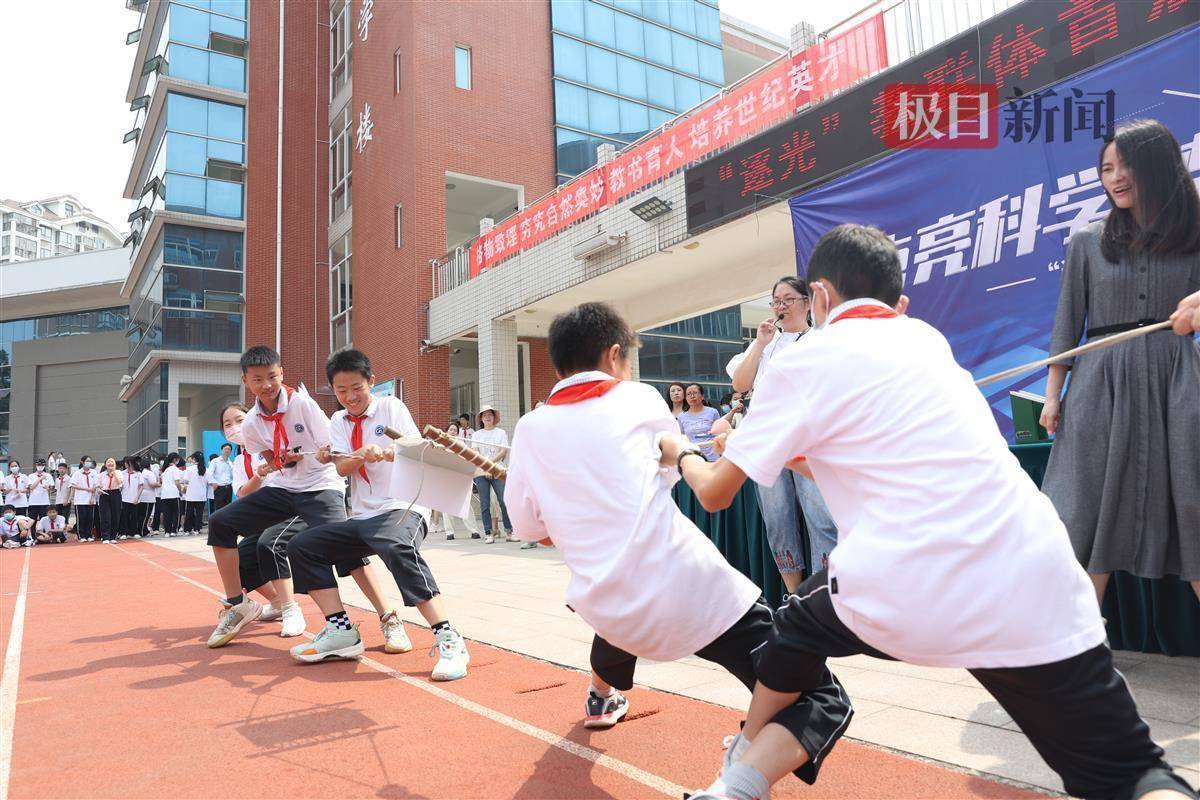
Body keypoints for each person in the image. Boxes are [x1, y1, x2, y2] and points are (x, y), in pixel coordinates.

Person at [664, 223, 1193, 800]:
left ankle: (740, 768)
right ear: (902, 303)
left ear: (818, 297)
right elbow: (865, 462)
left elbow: (715, 492)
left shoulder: (804, 359)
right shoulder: (928, 341)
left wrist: (683, 450)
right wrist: (794, 457)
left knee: (793, 629)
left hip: (904, 580)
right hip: (1031, 572)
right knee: (1128, 772)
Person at [504, 302, 851, 777]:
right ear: (612, 356)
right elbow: (687, 476)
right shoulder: (638, 399)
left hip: (607, 608)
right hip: (692, 597)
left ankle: (601, 695)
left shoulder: (529, 426)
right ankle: (745, 773)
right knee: (822, 696)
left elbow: (527, 529)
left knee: (616, 601)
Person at [1040, 120, 1200, 606]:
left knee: (1193, 504)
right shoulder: (1087, 241)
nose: (1115, 177)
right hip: (1099, 383)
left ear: (1157, 164)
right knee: (1083, 507)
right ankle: (1080, 651)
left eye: (1125, 164)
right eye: (1106, 168)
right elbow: (1068, 323)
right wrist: (1052, 396)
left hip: (1178, 382)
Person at [285, 348, 471, 678]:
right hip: (361, 517)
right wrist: (360, 455)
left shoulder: (391, 407)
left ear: (371, 382)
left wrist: (386, 452)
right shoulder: (338, 420)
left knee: (394, 544)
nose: (350, 397)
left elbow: (414, 450)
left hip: (402, 506)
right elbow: (342, 467)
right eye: (341, 391)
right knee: (303, 546)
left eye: (356, 387)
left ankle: (448, 637)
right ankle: (341, 630)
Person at [204, 345, 365, 649]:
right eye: (257, 379)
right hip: (285, 490)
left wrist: (318, 455)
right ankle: (239, 603)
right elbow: (270, 462)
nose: (266, 385)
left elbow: (332, 448)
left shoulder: (302, 404)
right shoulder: (252, 423)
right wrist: (280, 461)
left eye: (271, 377)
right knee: (220, 524)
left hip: (320, 486)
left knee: (338, 548)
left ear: (282, 374)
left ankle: (386, 615)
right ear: (245, 380)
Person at [727, 276, 839, 593]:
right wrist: (760, 343)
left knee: (821, 516)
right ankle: (794, 596)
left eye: (788, 299)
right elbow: (739, 385)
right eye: (776, 300)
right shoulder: (762, 344)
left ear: (806, 303)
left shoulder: (821, 339)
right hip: (768, 440)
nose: (781, 306)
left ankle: (824, 593)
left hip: (810, 438)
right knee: (778, 520)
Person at [428, 421, 480, 540]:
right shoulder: (440, 444)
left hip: (460, 477)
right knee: (447, 505)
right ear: (446, 431)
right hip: (445, 477)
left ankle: (474, 531)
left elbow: (467, 458)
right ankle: (449, 532)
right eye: (451, 429)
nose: (453, 432)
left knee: (466, 505)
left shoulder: (461, 444)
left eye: (455, 430)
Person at [470, 405, 513, 544]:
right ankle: (488, 533)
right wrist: (486, 467)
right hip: (481, 471)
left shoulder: (501, 432)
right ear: (481, 419)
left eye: (490, 414)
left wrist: (490, 466)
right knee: (484, 503)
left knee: (504, 501)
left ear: (494, 417)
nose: (488, 417)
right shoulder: (477, 434)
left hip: (498, 469)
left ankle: (509, 531)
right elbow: (475, 453)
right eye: (484, 415)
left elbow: (503, 452)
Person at [676, 384, 722, 460]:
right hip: (693, 457)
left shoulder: (713, 412)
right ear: (686, 398)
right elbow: (681, 437)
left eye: (695, 393)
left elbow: (718, 434)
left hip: (712, 456)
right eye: (688, 394)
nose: (692, 396)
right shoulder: (681, 416)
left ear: (702, 396)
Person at [69, 456, 100, 542]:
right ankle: (81, 535)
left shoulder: (94, 472)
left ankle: (89, 535)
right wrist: (86, 489)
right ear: (82, 462)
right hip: (80, 500)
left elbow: (95, 486)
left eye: (90, 461)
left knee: (90, 518)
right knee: (81, 518)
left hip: (91, 500)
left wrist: (92, 497)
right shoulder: (77, 473)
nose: (89, 462)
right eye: (87, 461)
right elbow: (73, 485)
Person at [96, 457, 124, 543]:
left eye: (112, 462)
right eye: (108, 462)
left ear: (115, 464)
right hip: (104, 494)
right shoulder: (100, 475)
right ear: (105, 465)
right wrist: (100, 490)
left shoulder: (119, 472)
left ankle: (113, 537)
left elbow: (120, 483)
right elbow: (97, 487)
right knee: (105, 516)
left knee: (115, 516)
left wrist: (114, 472)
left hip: (115, 493)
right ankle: (105, 537)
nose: (110, 463)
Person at [181, 451, 209, 535]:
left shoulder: (189, 469)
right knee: (199, 513)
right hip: (201, 495)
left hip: (191, 494)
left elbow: (186, 482)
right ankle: (198, 529)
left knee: (189, 512)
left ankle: (187, 529)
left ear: (194, 459)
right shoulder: (205, 469)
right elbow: (208, 482)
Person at [159, 453, 184, 537]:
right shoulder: (175, 469)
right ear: (174, 459)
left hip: (165, 494)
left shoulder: (165, 470)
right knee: (176, 513)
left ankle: (167, 532)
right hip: (174, 493)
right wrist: (180, 491)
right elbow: (177, 482)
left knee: (167, 514)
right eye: (178, 459)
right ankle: (174, 530)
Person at [210, 443, 234, 512]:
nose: (227, 451)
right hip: (219, 488)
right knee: (219, 508)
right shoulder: (215, 461)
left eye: (229, 449)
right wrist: (214, 483)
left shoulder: (230, 463)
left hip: (229, 488)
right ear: (221, 450)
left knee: (228, 508)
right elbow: (209, 474)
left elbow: (232, 476)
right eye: (225, 449)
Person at [26, 459, 51, 524]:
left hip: (44, 502)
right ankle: (32, 534)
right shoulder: (31, 476)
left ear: (44, 465)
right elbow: (31, 487)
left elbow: (52, 487)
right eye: (38, 465)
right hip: (33, 502)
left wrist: (49, 487)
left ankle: (43, 534)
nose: (40, 466)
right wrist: (40, 478)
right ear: (36, 465)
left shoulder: (48, 475)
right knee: (32, 522)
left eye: (42, 465)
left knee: (44, 521)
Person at [138, 457, 158, 535]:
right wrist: (159, 484)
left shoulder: (141, 472)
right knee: (146, 515)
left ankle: (142, 530)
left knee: (141, 515)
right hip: (148, 496)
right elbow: (152, 484)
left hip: (142, 495)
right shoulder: (149, 473)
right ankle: (143, 531)